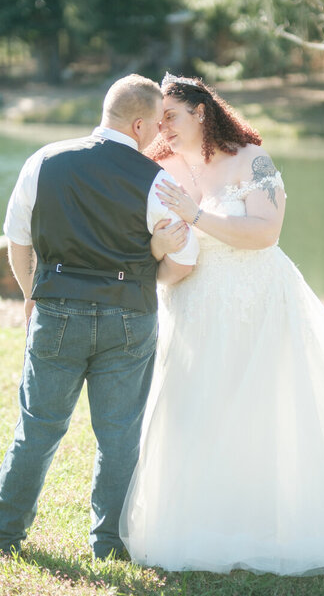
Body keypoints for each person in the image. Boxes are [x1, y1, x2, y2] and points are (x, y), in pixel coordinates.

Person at [120, 73, 324, 576]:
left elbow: (265, 233)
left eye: (171, 117)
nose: (163, 127)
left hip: (258, 299)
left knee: (262, 406)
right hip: (191, 302)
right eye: (158, 119)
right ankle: (200, 521)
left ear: (200, 111)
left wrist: (196, 216)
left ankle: (273, 522)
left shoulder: (253, 160)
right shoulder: (159, 165)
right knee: (195, 406)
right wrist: (162, 242)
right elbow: (147, 239)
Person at [0, 73, 199, 560]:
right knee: (119, 433)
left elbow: (17, 241)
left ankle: (5, 533)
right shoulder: (157, 180)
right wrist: (148, 273)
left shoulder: (44, 161)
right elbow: (185, 258)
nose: (158, 134)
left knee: (38, 427)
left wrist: (33, 294)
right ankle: (108, 544)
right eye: (155, 124)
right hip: (128, 318)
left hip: (57, 311)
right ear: (137, 123)